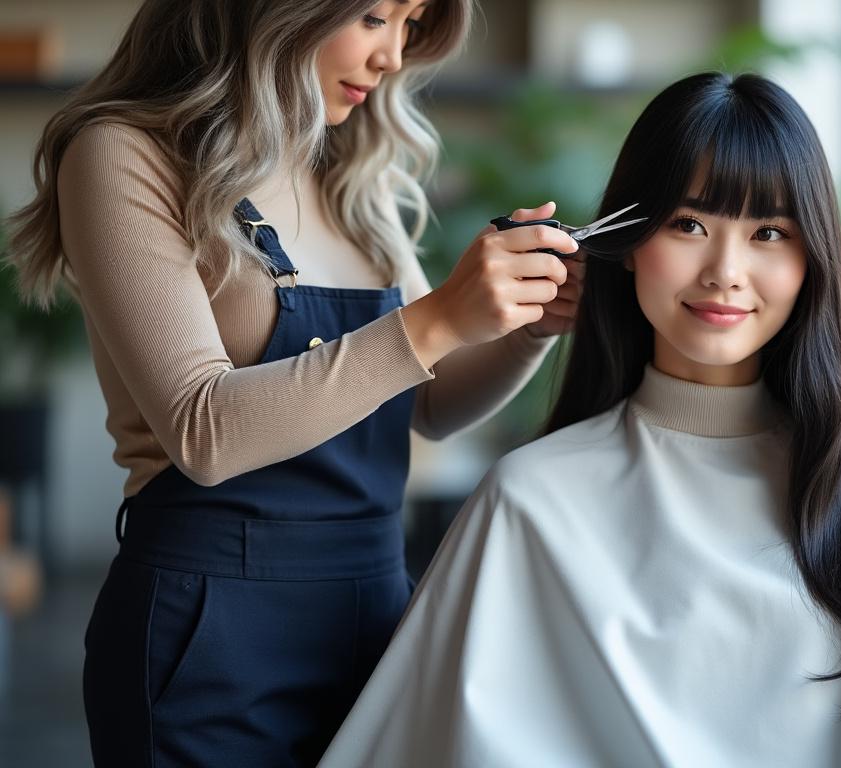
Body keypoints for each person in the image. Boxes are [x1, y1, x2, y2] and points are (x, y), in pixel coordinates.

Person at [319, 72, 841, 767]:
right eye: (688, 223)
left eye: (769, 232)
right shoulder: (532, 501)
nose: (725, 271)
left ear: (814, 264)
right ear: (626, 244)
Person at [2, 1, 584, 764]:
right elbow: (202, 431)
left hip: (375, 614)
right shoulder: (124, 155)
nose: (392, 57)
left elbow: (430, 406)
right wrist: (440, 317)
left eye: (409, 26)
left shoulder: (352, 180)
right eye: (375, 15)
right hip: (208, 637)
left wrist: (528, 326)